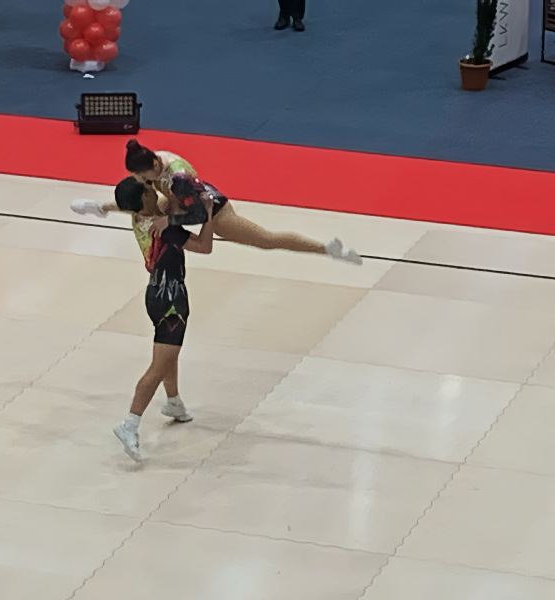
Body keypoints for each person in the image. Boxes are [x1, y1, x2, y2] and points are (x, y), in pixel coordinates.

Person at [71, 139, 362, 265]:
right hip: (182, 202)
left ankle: (326, 248)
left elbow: (198, 214)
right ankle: (100, 208)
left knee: (266, 240)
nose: (139, 179)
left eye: (141, 175)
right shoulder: (153, 161)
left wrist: (170, 219)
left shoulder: (178, 178)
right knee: (141, 203)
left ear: (154, 166)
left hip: (213, 210)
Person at [110, 178, 215, 462]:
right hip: (171, 300)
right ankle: (130, 424)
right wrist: (208, 213)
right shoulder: (166, 229)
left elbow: (163, 206)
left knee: (168, 354)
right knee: (158, 366)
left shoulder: (138, 219)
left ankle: (173, 402)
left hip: (154, 294)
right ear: (144, 199)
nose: (154, 191)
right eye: (149, 190)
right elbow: (205, 246)